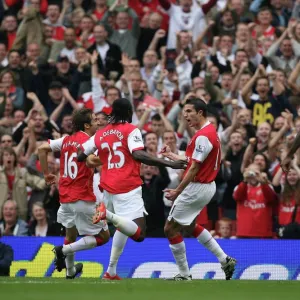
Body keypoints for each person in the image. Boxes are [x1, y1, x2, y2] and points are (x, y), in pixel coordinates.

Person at [78, 98, 186, 280]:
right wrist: (168, 163)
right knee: (139, 233)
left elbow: (81, 155)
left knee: (123, 226)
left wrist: (100, 156)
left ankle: (111, 271)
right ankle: (107, 215)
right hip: (127, 187)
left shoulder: (101, 133)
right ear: (128, 113)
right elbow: (138, 153)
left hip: (108, 188)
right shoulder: (131, 130)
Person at [160, 98, 236, 281]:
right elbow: (194, 161)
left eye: (188, 111)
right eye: (184, 112)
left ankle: (185, 275)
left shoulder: (203, 135)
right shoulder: (208, 132)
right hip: (206, 186)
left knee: (170, 229)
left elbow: (194, 168)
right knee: (190, 225)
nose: (185, 116)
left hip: (197, 186)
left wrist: (177, 191)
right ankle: (224, 259)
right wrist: (172, 155)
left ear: (200, 112)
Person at [38, 108, 110, 279]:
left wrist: (46, 173)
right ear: (86, 125)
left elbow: (42, 149)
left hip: (65, 199)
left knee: (71, 235)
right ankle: (64, 250)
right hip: (83, 198)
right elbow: (92, 161)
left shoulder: (65, 140)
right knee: (104, 237)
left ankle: (70, 272)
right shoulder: (91, 142)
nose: (97, 122)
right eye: (94, 120)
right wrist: (111, 155)